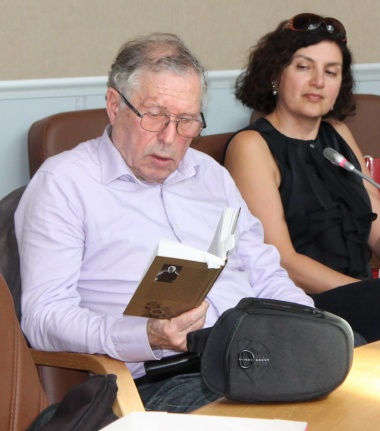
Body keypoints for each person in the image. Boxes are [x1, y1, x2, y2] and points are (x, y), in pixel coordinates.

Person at [15, 33, 313, 413]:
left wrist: (311, 327)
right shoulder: (64, 183)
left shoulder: (211, 175)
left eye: (186, 121)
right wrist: (144, 335)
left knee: (355, 372)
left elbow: (266, 274)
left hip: (254, 356)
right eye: (154, 116)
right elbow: (44, 317)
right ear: (114, 106)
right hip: (156, 380)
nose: (170, 138)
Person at [222, 14, 380, 344]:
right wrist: (372, 293)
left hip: (359, 295)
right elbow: (282, 260)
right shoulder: (251, 146)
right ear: (274, 74)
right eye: (304, 67)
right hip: (301, 303)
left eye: (331, 72)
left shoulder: (338, 135)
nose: (318, 81)